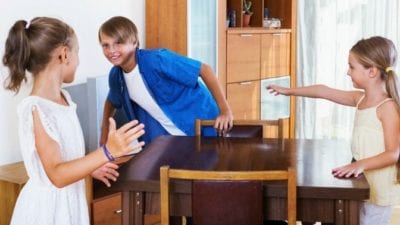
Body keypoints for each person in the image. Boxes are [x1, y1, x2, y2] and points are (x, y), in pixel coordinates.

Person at [2, 17, 145, 225]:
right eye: (77, 52)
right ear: (64, 54)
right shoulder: (36, 108)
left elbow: (65, 158)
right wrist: (107, 152)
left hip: (70, 205)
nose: (78, 60)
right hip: (48, 213)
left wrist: (90, 167)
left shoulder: (64, 99)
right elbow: (57, 175)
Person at [267, 36, 400, 225]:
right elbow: (323, 91)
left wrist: (359, 165)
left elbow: (393, 153)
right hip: (362, 181)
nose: (348, 72)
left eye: (352, 67)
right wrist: (289, 91)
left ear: (372, 71)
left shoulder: (387, 107)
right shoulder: (360, 99)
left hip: (379, 187)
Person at [97, 16, 233, 145]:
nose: (111, 50)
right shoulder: (116, 76)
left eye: (118, 43)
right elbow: (112, 100)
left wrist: (225, 111)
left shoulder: (157, 60)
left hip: (202, 122)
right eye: (105, 45)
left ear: (134, 42)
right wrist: (104, 131)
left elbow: (204, 70)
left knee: (214, 162)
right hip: (171, 137)